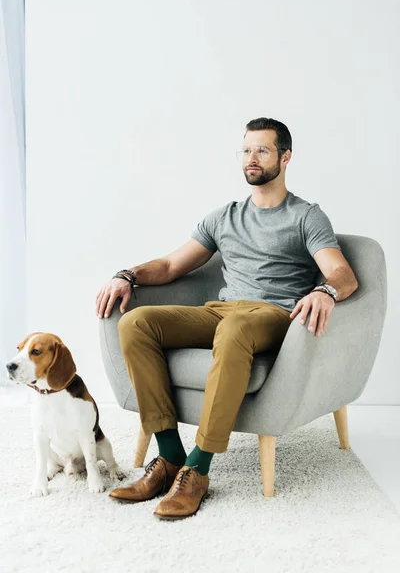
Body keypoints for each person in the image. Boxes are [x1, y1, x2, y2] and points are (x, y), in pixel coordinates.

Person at [95, 117, 358, 521]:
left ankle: (198, 469)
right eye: (247, 150)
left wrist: (324, 290)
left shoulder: (307, 216)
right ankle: (168, 458)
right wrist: (127, 274)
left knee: (235, 327)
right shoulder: (224, 216)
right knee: (136, 322)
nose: (252, 159)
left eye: (263, 151)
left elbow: (343, 274)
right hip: (221, 312)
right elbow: (169, 265)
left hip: (272, 316)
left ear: (285, 158)